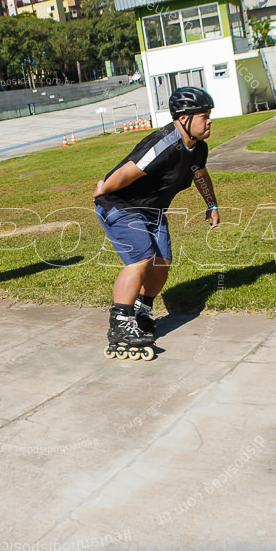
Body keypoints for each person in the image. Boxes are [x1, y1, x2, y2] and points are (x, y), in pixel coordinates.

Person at [93, 86, 221, 359]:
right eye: (204, 115)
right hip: (121, 205)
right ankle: (120, 323)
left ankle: (140, 311)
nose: (209, 121)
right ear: (184, 118)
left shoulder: (198, 148)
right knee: (141, 259)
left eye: (209, 115)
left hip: (153, 210)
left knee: (162, 263)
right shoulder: (164, 143)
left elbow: (199, 174)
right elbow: (128, 171)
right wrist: (104, 190)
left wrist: (211, 204)